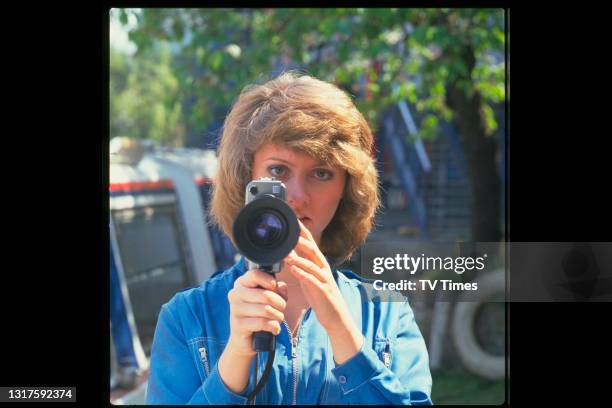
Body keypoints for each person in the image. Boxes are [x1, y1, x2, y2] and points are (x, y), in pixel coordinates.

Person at [145, 72, 433, 405]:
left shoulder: (387, 313)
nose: (297, 196)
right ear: (245, 178)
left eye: (322, 173)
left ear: (346, 189)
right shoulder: (187, 317)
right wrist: (236, 356)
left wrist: (342, 332)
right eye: (278, 171)